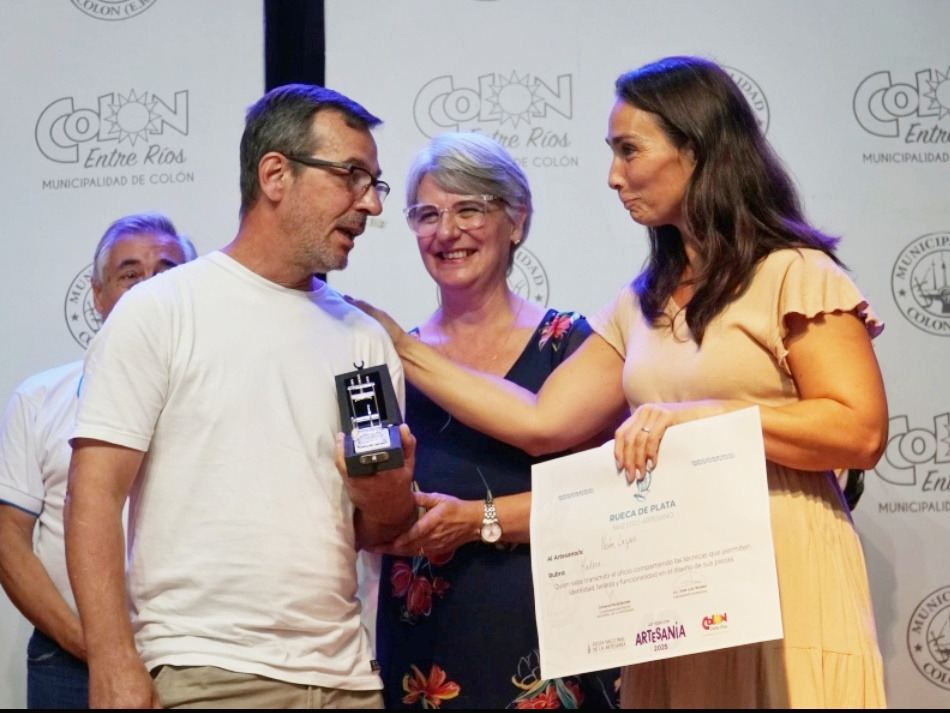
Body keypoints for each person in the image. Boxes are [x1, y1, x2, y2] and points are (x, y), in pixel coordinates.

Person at [349, 56, 888, 708]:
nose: (613, 175)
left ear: (697, 148)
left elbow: (859, 430)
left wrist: (704, 416)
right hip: (680, 589)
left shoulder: (795, 272)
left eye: (629, 150)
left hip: (784, 568)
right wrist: (400, 344)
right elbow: (542, 421)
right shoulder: (641, 302)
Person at [63, 84, 418, 709]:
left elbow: (376, 528)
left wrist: (389, 498)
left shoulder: (365, 338)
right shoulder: (161, 309)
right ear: (275, 174)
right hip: (206, 673)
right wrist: (113, 660)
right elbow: (93, 495)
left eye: (374, 183)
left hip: (347, 682)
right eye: (351, 176)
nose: (371, 204)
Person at [368, 132, 623, 709]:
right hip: (426, 653)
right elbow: (370, 518)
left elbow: (610, 495)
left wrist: (478, 520)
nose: (446, 232)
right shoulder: (389, 362)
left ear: (517, 221)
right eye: (427, 215)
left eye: (469, 209)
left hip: (554, 641)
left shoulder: (574, 348)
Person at [0, 212, 196, 709]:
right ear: (97, 294)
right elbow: (8, 539)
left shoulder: (217, 398)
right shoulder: (39, 398)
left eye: (167, 272)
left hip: (196, 658)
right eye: (130, 274)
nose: (149, 288)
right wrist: (96, 648)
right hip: (68, 659)